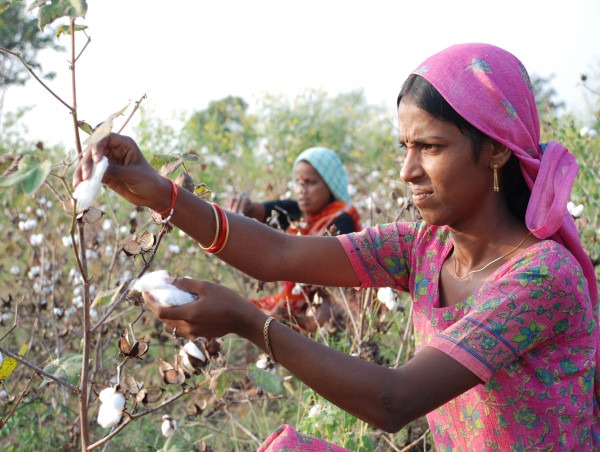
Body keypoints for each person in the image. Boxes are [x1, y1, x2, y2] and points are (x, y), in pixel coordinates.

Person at [73, 43, 600, 451]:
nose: (408, 170)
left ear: (495, 151)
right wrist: (160, 192)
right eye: (405, 147)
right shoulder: (426, 247)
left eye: (431, 147)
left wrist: (246, 320)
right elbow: (278, 255)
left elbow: (395, 401)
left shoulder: (541, 277)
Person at [225, 146, 361, 332]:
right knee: (241, 312)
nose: (301, 190)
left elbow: (333, 281)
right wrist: (242, 204)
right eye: (298, 182)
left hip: (329, 302)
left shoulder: (342, 219)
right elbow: (255, 211)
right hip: (294, 302)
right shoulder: (293, 211)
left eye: (310, 182)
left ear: (329, 184)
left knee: (324, 315)